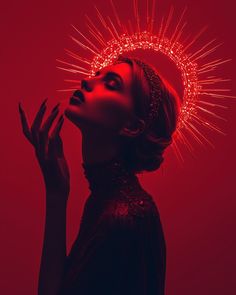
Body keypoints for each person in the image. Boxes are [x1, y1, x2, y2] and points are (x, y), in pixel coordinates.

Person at [18, 55, 181, 295]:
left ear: (133, 126)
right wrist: (56, 193)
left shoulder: (123, 215)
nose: (86, 81)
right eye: (97, 75)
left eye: (111, 84)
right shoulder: (110, 200)